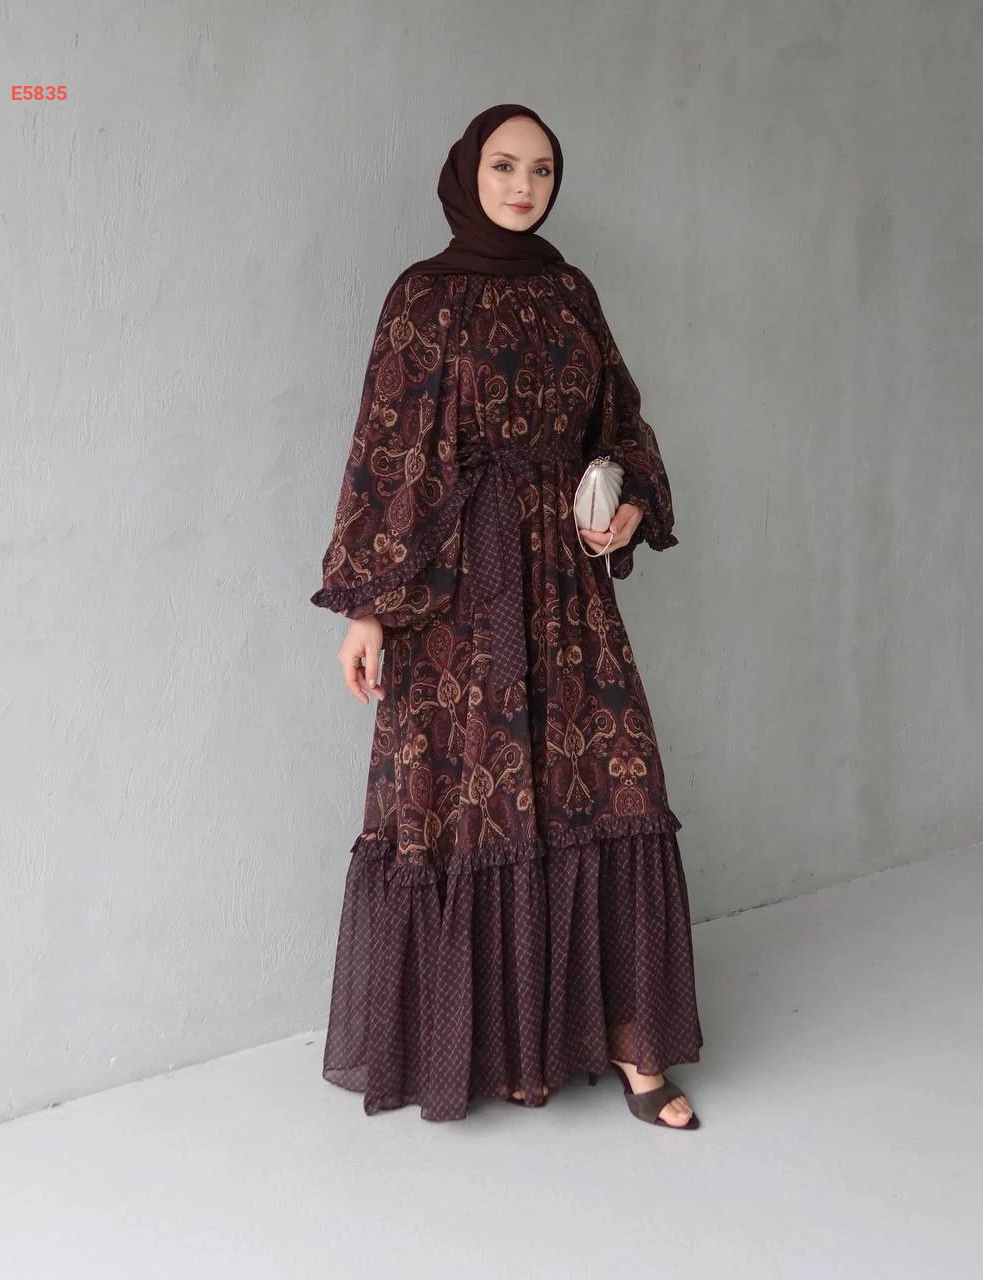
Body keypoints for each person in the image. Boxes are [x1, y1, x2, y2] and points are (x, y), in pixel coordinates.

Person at [310, 103, 703, 1129]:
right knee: (467, 799)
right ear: (466, 173)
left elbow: (619, 420)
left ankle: (634, 1044)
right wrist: (367, 610)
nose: (523, 186)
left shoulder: (569, 292)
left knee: (608, 777)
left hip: (565, 583)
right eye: (503, 165)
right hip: (454, 587)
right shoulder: (422, 296)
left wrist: (628, 500)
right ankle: (488, 1048)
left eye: (541, 169)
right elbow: (386, 449)